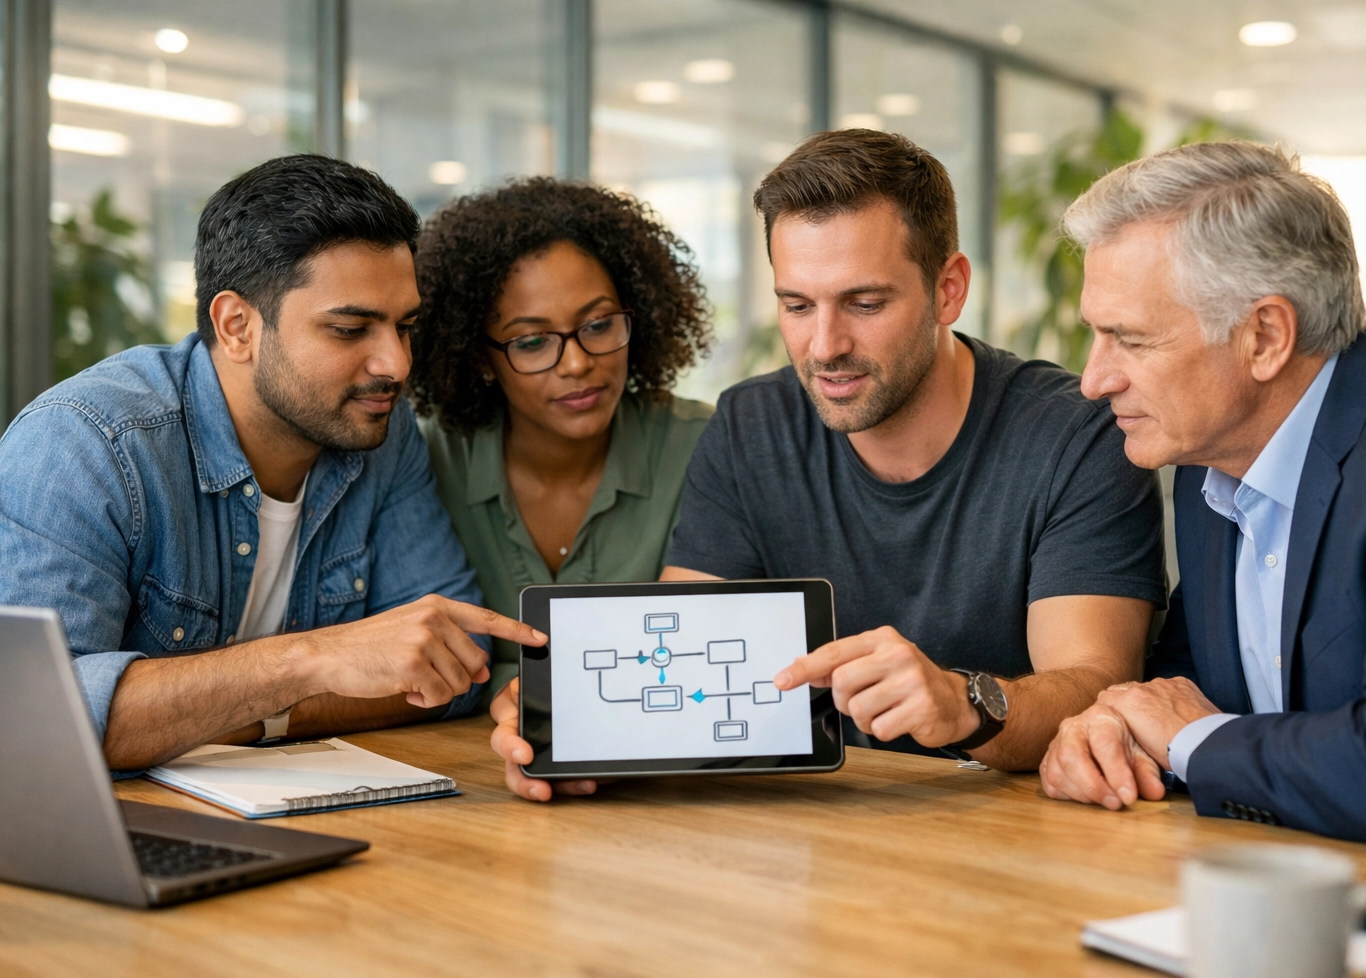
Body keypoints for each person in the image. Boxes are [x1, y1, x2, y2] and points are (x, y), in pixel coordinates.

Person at [491, 129, 1168, 801]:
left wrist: (962, 703)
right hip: (815, 830)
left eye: (864, 304)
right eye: (796, 305)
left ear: (948, 290)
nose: (824, 346)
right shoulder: (749, 426)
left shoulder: (1076, 436)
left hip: (1013, 831)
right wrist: (582, 732)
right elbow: (681, 669)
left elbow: (1095, 689)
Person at [0, 155, 542, 772]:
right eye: (351, 329)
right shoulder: (85, 445)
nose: (396, 365)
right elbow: (26, 720)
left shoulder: (379, 425)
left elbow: (454, 666)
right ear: (237, 325)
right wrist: (307, 662)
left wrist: (242, 711)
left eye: (405, 326)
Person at [1038, 140, 1366, 853]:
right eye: (1096, 336)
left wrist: (1190, 739)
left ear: (1264, 336)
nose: (1094, 379)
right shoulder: (1212, 451)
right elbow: (1187, 680)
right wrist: (1114, 724)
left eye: (1130, 341)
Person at [409, 179, 715, 702]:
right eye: (532, 341)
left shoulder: (704, 448)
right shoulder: (428, 462)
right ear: (480, 357)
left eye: (598, 325)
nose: (578, 364)